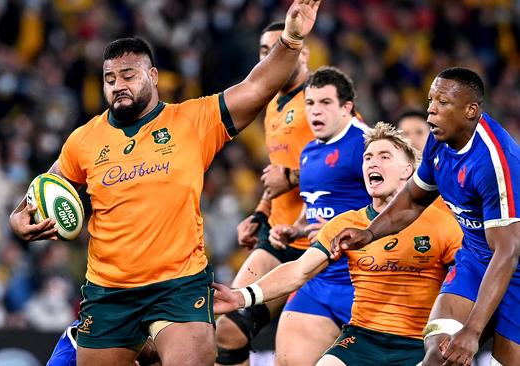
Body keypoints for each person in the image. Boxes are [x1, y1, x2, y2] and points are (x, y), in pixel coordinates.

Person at [9, 1, 322, 365]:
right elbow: (46, 185)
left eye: (128, 75)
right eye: (110, 79)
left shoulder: (191, 121)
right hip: (109, 290)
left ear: (153, 76)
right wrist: (20, 215)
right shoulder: (84, 139)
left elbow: (256, 87)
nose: (118, 86)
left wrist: (291, 38)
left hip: (178, 285)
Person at [212, 122, 464, 366]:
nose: (372, 162)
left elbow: (470, 281)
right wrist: (240, 296)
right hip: (362, 340)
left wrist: (465, 333)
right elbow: (299, 271)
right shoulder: (346, 224)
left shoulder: (443, 222)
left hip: (418, 344)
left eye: (385, 156)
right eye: (367, 158)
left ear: (408, 170)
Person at [331, 67, 520, 366]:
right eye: (431, 99)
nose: (430, 110)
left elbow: (508, 251)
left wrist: (472, 329)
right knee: (439, 355)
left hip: (513, 266)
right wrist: (369, 232)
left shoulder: (495, 161)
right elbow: (413, 198)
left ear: (470, 110)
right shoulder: (439, 139)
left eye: (443, 102)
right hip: (475, 261)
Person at [214, 21, 315, 366]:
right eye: (265, 51)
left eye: (282, 47)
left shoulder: (323, 101)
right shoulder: (271, 105)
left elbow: (350, 166)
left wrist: (293, 176)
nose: (275, 56)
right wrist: (259, 213)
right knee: (227, 331)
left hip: (320, 244)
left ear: (305, 55)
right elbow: (276, 173)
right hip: (277, 237)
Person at [266, 66, 370, 365]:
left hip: (366, 285)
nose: (315, 111)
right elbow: (316, 205)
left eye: (325, 103)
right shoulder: (310, 151)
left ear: (347, 107)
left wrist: (347, 227)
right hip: (320, 280)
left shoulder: (368, 145)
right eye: (310, 103)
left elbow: (398, 207)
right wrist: (296, 229)